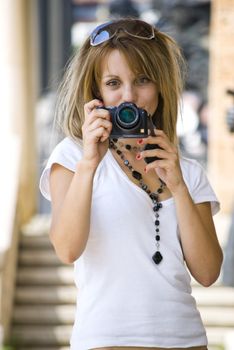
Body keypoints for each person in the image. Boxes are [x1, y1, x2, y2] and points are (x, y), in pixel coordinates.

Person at [39, 18, 223, 350]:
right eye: (113, 83)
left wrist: (178, 186)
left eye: (142, 80)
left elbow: (208, 273)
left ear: (160, 86)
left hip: (186, 341)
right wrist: (89, 164)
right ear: (96, 94)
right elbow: (67, 249)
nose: (129, 96)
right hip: (105, 341)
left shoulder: (188, 172)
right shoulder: (71, 158)